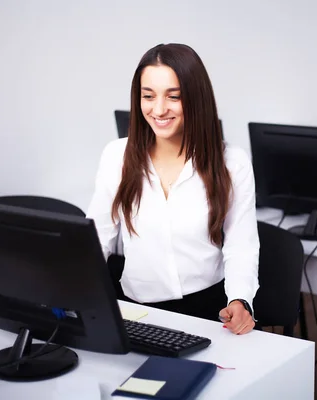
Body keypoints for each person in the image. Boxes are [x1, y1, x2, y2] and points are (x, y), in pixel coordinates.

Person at [86, 43, 259, 335]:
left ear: (196, 99)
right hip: (136, 309)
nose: (159, 109)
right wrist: (69, 292)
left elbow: (241, 245)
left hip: (208, 310)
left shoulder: (232, 162)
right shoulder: (117, 156)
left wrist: (240, 299)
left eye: (173, 97)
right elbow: (97, 238)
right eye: (148, 96)